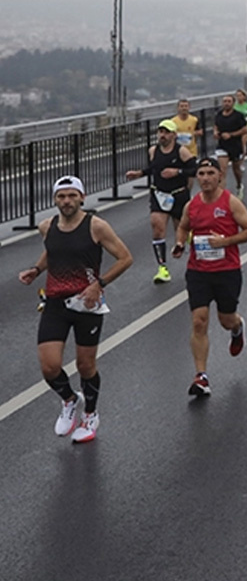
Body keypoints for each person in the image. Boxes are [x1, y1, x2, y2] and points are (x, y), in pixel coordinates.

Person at [18, 176, 133, 444]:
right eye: (61, 196)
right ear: (55, 199)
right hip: (56, 303)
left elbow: (126, 258)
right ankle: (69, 400)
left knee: (85, 364)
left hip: (86, 304)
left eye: (72, 196)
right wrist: (36, 270)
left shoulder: (96, 226)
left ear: (82, 197)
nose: (67, 201)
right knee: (49, 366)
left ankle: (90, 415)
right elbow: (53, 250)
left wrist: (99, 284)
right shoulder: (47, 226)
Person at [173, 159, 247, 397]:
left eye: (211, 173)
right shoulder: (192, 205)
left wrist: (225, 242)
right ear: (197, 177)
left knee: (226, 320)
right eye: (201, 173)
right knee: (199, 321)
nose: (206, 178)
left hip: (227, 271)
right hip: (198, 271)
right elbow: (183, 227)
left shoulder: (231, 202)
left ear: (220, 176)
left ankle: (237, 327)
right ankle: (201, 376)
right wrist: (180, 243)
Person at [125, 119, 197, 283]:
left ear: (174, 135)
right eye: (160, 132)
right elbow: (154, 168)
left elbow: (195, 169)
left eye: (166, 132)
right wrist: (140, 173)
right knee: (157, 226)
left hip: (179, 194)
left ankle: (195, 260)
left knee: (183, 231)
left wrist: (177, 171)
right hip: (159, 194)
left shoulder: (182, 151)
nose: (162, 135)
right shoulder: (153, 150)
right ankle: (162, 268)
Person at [213, 94, 247, 197]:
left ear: (233, 103)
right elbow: (216, 126)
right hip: (222, 145)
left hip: (235, 145)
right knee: (222, 170)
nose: (226, 103)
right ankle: (220, 195)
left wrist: (231, 135)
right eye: (225, 101)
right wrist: (216, 132)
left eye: (229, 101)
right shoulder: (219, 114)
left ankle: (239, 185)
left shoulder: (238, 115)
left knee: (236, 169)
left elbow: (245, 129)